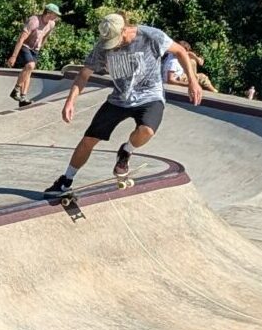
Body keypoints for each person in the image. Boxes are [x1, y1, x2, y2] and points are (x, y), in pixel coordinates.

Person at [43, 12, 202, 196]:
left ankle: (126, 151)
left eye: (116, 40)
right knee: (89, 140)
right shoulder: (102, 47)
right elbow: (84, 75)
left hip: (150, 96)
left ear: (125, 29)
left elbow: (180, 51)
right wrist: (71, 100)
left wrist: (193, 81)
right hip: (119, 98)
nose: (113, 46)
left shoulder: (151, 36)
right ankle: (66, 180)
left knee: (147, 130)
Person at [7, 4, 61, 106]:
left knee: (29, 71)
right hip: (25, 46)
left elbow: (45, 36)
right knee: (30, 65)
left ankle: (23, 98)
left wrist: (40, 47)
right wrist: (14, 56)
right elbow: (21, 38)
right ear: (48, 13)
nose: (56, 17)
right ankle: (16, 90)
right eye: (55, 14)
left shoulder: (52, 24)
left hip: (35, 49)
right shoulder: (34, 21)